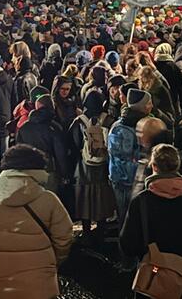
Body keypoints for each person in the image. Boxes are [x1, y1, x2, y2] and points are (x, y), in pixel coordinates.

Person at [0, 144, 74, 299]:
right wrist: (52, 260)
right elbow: (64, 237)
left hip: (2, 278)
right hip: (40, 279)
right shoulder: (49, 200)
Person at [119, 144, 182, 272]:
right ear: (178, 166)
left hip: (151, 274)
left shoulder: (141, 201)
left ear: (154, 166)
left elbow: (128, 244)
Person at [69, 89, 117, 240]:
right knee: (101, 195)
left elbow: (73, 144)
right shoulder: (109, 120)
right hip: (103, 166)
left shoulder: (79, 121)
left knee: (85, 196)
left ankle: (86, 229)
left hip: (84, 167)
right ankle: (102, 227)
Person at [109, 88, 153, 223]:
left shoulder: (144, 124)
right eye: (149, 103)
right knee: (128, 218)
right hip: (126, 182)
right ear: (141, 107)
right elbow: (122, 158)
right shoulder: (122, 128)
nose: (152, 105)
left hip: (139, 179)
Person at [15, 94, 70, 193]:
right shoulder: (54, 127)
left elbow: (19, 151)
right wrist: (65, 174)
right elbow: (60, 153)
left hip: (29, 172)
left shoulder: (24, 128)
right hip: (49, 171)